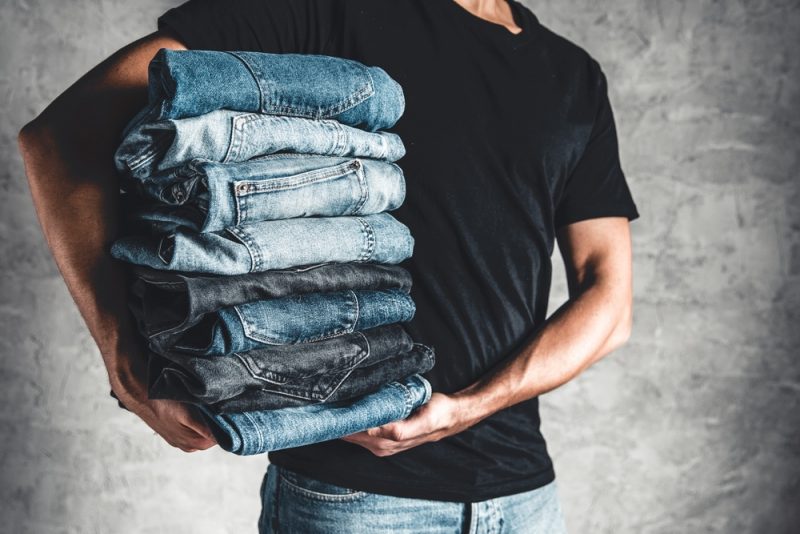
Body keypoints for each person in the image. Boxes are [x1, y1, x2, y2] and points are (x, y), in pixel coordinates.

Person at [17, 0, 640, 531]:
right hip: (353, 501)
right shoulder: (330, 9)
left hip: (525, 498)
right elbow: (64, 135)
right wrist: (130, 367)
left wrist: (473, 405)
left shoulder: (571, 77)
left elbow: (608, 302)